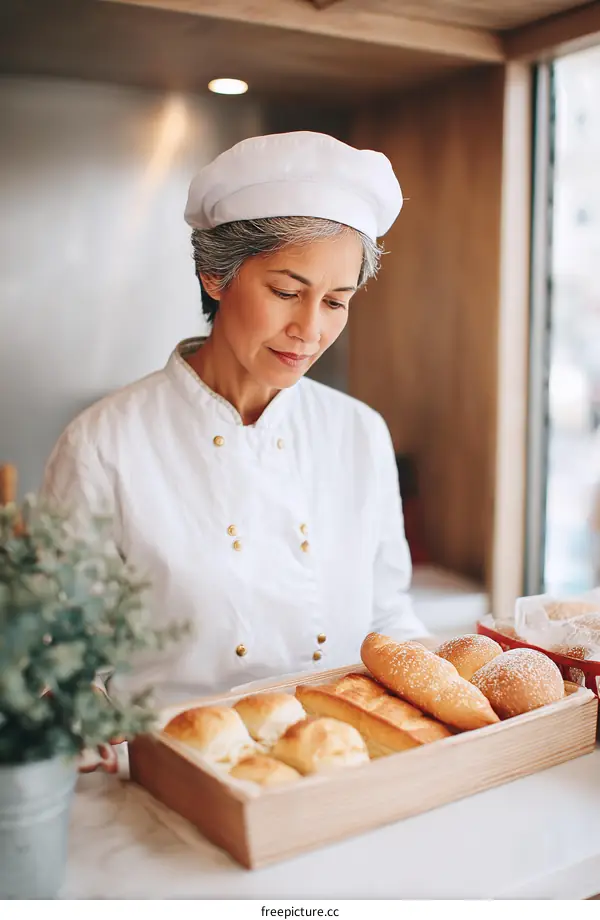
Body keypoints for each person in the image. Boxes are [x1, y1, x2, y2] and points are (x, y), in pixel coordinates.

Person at [40, 131, 429, 705]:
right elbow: (63, 655)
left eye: (335, 301)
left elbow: (390, 616)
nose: (310, 329)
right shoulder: (105, 444)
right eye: (285, 291)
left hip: (342, 757)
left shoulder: (358, 432)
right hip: (171, 765)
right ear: (216, 276)